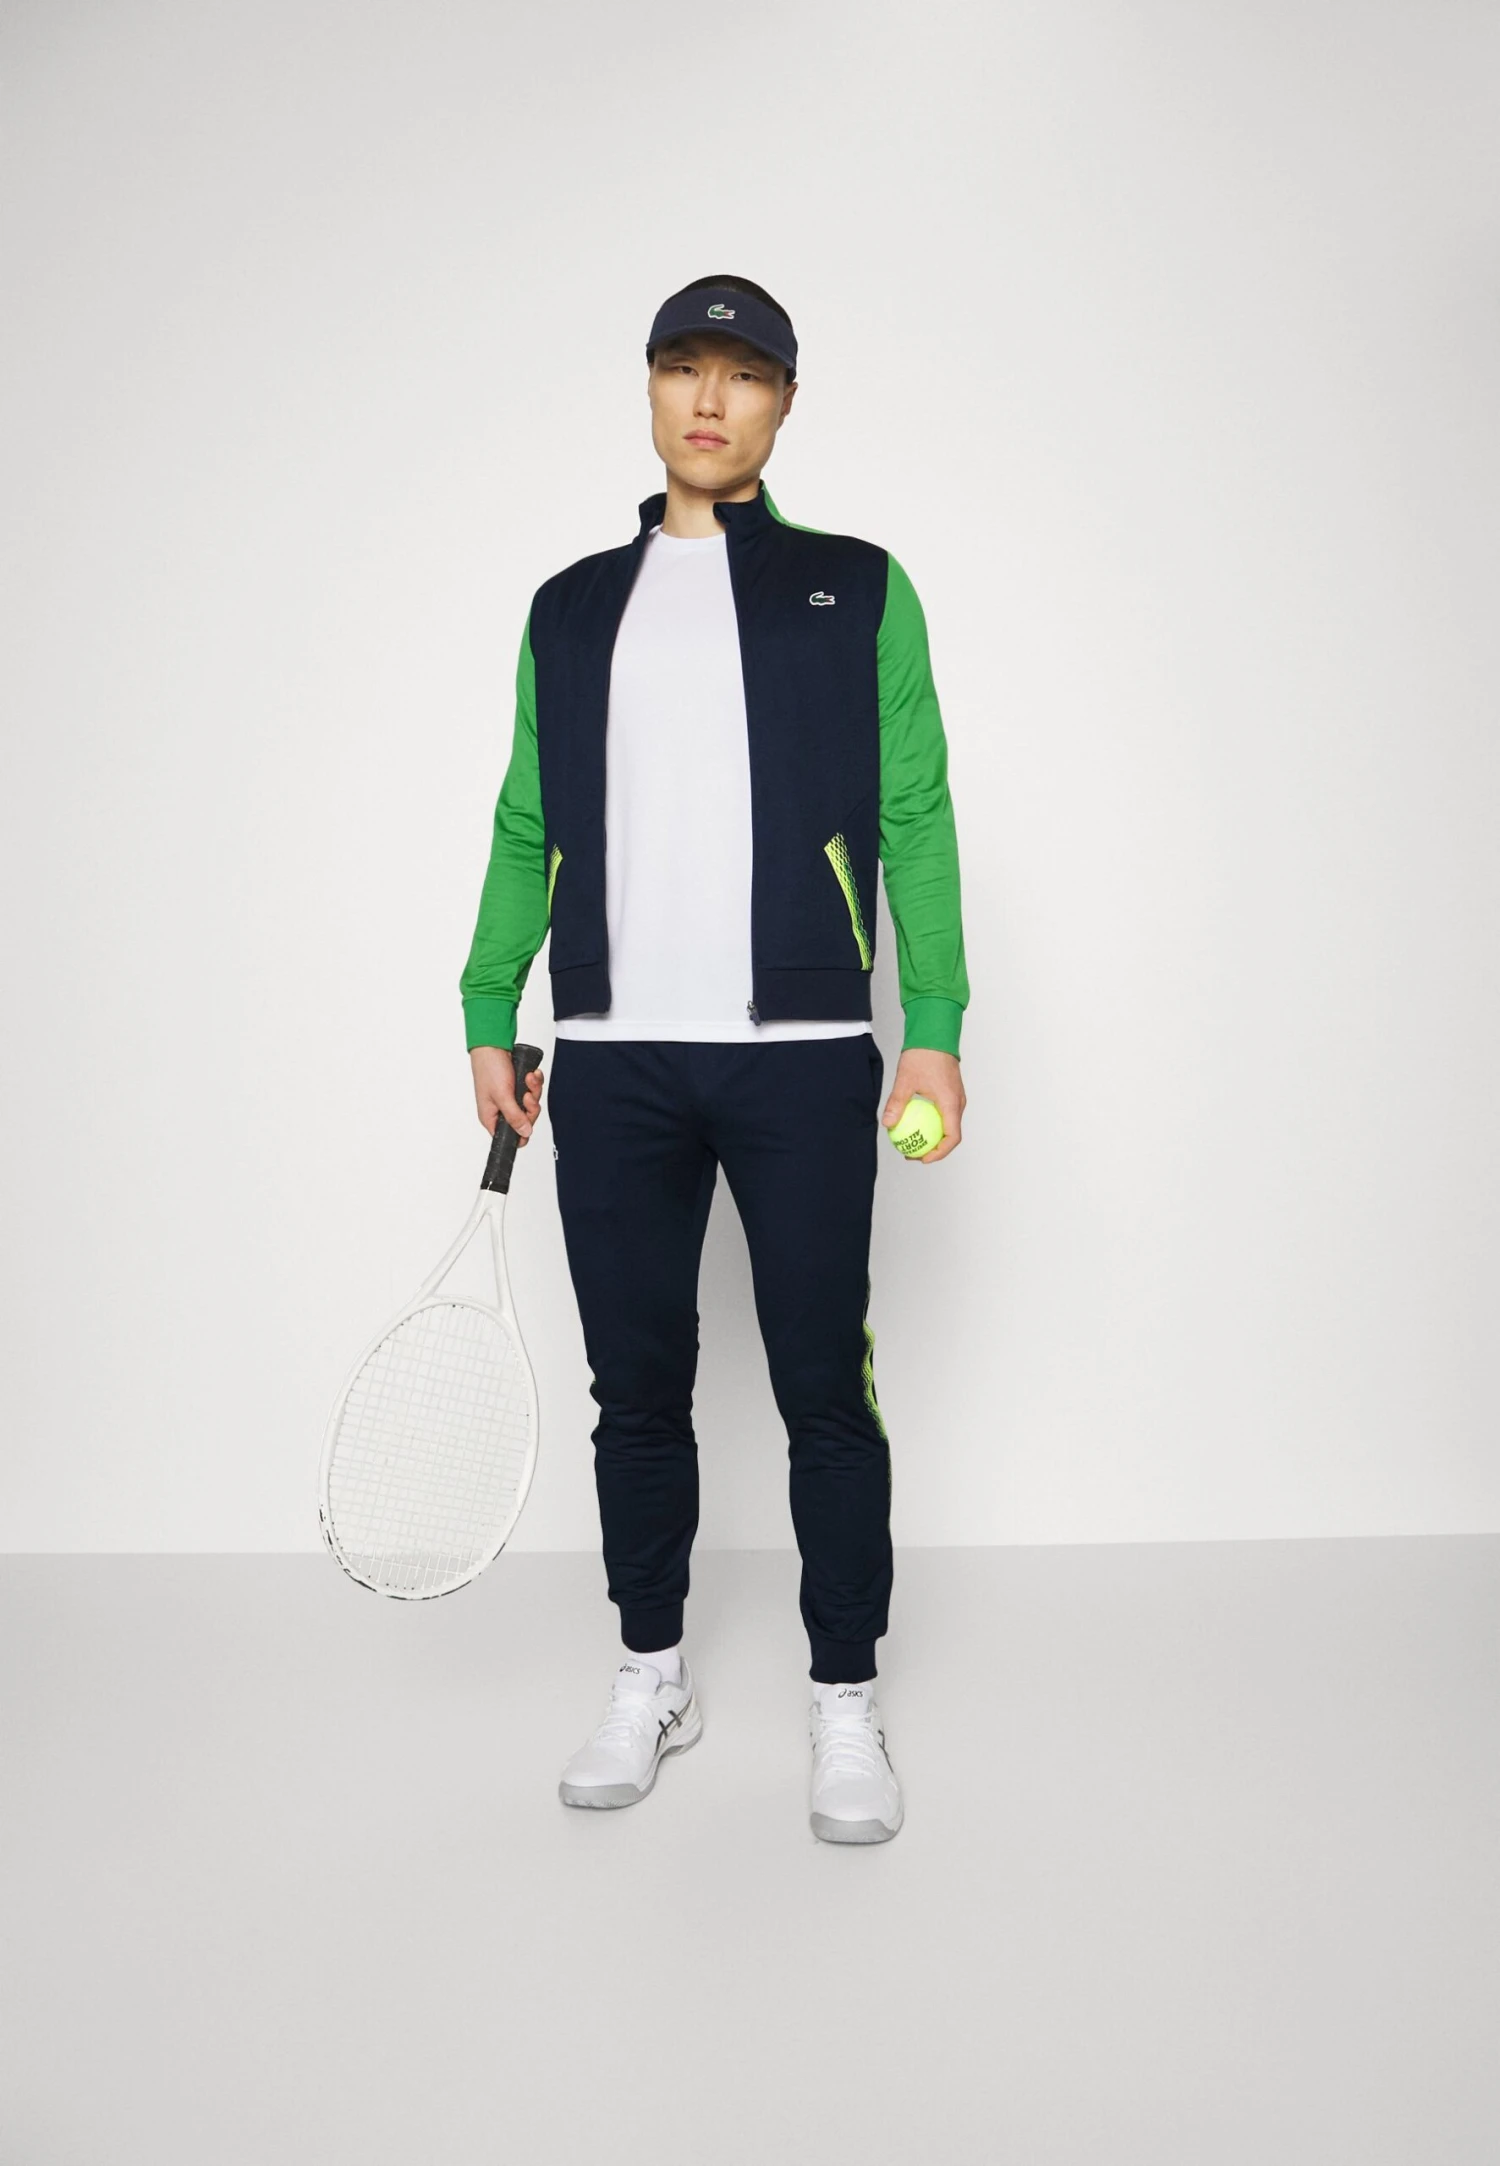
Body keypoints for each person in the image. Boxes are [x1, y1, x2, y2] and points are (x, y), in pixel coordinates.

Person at [460, 274, 968, 1843]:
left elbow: (916, 814)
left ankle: (844, 1697)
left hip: (803, 1052)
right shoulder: (568, 607)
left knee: (824, 1386)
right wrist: (490, 1004)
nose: (707, 397)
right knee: (636, 1391)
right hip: (613, 1056)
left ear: (784, 403)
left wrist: (933, 1029)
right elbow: (527, 819)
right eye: (682, 366)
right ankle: (649, 1672)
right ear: (650, 386)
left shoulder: (858, 588)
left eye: (741, 373)